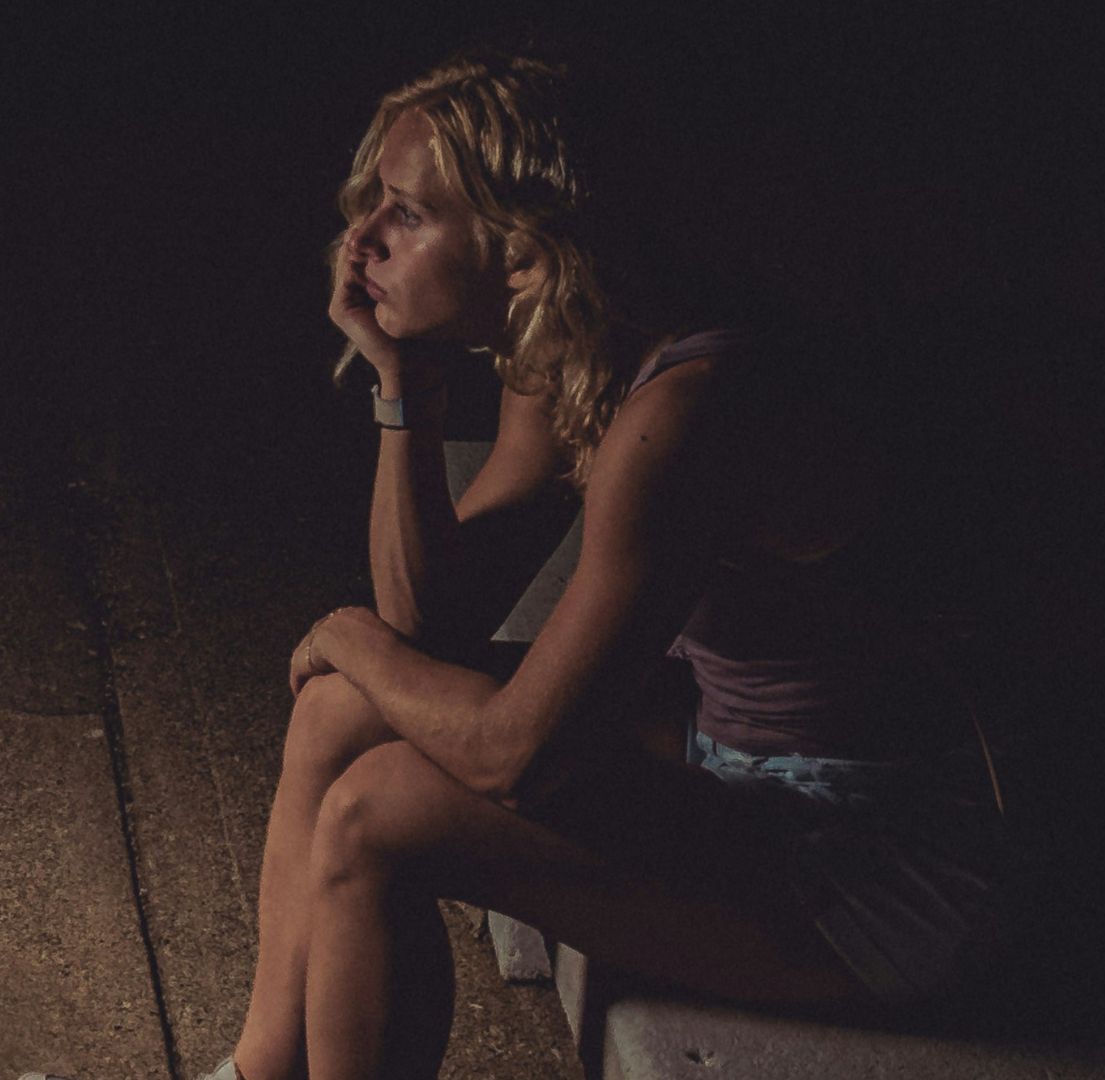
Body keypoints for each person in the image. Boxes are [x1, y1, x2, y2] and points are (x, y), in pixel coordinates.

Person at [219, 50, 1014, 1080]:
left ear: (522, 252)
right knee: (340, 710)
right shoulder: (571, 349)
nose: (360, 238)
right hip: (732, 756)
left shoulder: (685, 413)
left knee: (379, 813)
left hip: (876, 855)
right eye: (374, 203)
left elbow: (517, 757)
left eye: (407, 214)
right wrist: (404, 391)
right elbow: (432, 624)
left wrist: (347, 636)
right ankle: (256, 1073)